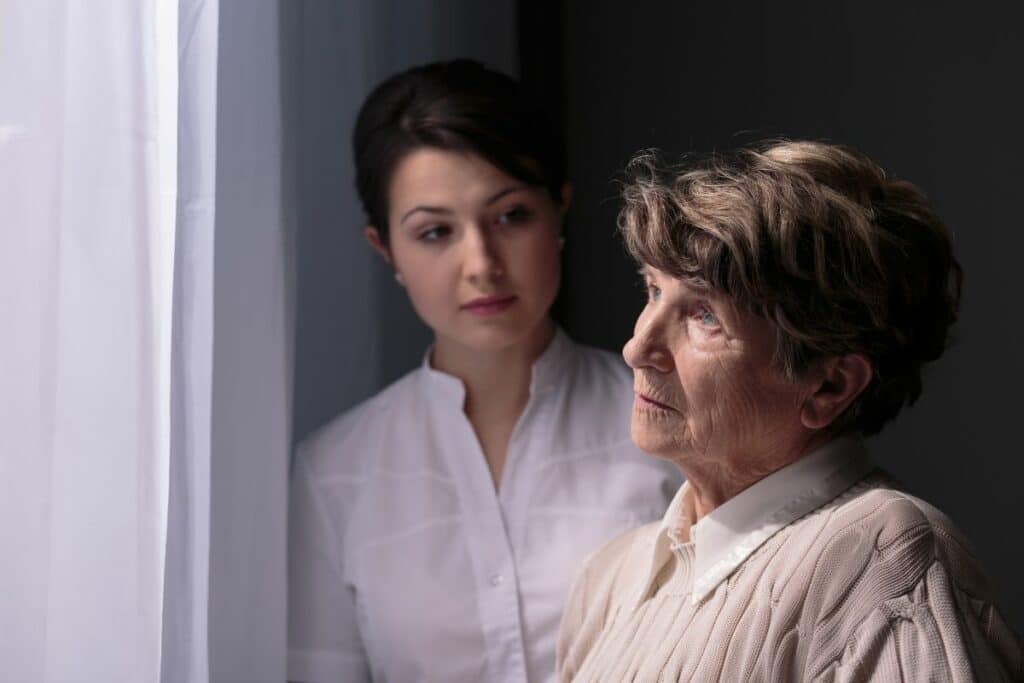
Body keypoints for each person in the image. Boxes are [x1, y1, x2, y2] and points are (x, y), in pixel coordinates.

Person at [556, 140, 1023, 681]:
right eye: (653, 290)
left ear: (829, 385)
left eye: (706, 316)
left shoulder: (890, 560)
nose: (638, 348)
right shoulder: (607, 579)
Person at [287, 60, 681, 683]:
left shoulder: (675, 426)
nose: (481, 264)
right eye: (434, 232)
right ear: (385, 249)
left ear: (559, 210)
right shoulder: (334, 473)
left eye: (511, 216)